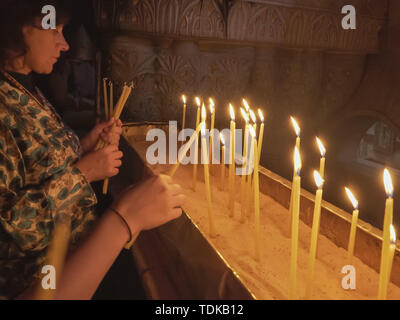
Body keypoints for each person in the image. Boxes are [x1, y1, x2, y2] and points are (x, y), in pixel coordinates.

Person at [0, 0, 185, 299]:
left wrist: (86, 145)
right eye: (53, 29)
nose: (64, 44)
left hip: (84, 252)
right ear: (15, 25)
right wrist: (85, 174)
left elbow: (37, 163)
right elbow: (9, 230)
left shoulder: (25, 87)